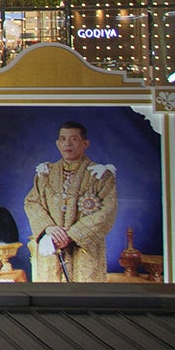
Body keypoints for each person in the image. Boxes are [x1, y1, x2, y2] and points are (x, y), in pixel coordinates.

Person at [23, 120, 119, 282]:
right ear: (57, 143)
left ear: (85, 143)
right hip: (51, 245)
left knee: (84, 299)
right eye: (63, 138)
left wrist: (72, 234)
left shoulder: (100, 175)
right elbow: (32, 202)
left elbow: (107, 211)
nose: (67, 143)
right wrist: (49, 228)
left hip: (85, 250)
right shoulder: (46, 173)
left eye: (74, 139)